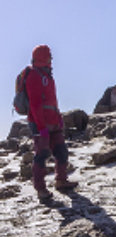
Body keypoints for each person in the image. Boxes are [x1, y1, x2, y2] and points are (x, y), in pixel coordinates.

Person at [14, 46, 73, 200]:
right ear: (42, 56)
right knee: (42, 154)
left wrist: (58, 118)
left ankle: (61, 180)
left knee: (61, 150)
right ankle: (40, 189)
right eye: (49, 55)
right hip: (40, 123)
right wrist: (41, 126)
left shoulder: (48, 75)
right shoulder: (34, 74)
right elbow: (35, 103)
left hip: (52, 120)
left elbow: (53, 100)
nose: (51, 58)